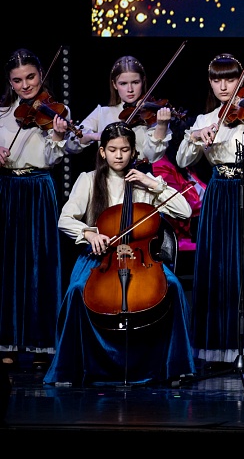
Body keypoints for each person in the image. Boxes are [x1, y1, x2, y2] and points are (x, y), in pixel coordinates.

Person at [43, 122, 195, 386]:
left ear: (133, 151)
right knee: (77, 290)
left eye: (125, 150)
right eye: (112, 150)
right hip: (101, 257)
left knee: (173, 287)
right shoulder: (88, 180)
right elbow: (65, 219)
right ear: (102, 152)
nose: (119, 155)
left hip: (141, 257)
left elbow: (185, 211)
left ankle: (177, 366)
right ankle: (69, 368)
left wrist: (152, 184)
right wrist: (90, 234)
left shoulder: (144, 183)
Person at [176, 53, 244, 367]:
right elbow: (182, 160)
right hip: (220, 192)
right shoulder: (205, 120)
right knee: (219, 269)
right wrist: (195, 137)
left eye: (230, 79)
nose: (223, 86)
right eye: (217, 80)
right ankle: (218, 347)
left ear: (240, 81)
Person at [0, 48, 69, 368]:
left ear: (41, 75)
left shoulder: (54, 111)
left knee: (41, 264)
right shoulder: (2, 114)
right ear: (10, 82)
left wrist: (57, 135)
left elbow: (54, 158)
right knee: (8, 265)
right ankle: (8, 342)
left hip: (40, 187)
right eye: (18, 80)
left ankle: (42, 344)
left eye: (31, 77)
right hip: (8, 188)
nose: (26, 85)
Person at [66, 55, 172, 164]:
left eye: (135, 82)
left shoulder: (152, 116)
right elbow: (70, 146)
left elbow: (153, 156)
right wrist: (94, 136)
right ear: (114, 84)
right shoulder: (102, 113)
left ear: (143, 81)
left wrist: (162, 126)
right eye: (123, 83)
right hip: (107, 174)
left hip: (141, 173)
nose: (130, 89)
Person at [151, 118, 206, 254]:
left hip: (202, 217)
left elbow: (201, 189)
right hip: (186, 228)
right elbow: (183, 202)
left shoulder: (185, 165)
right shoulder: (162, 165)